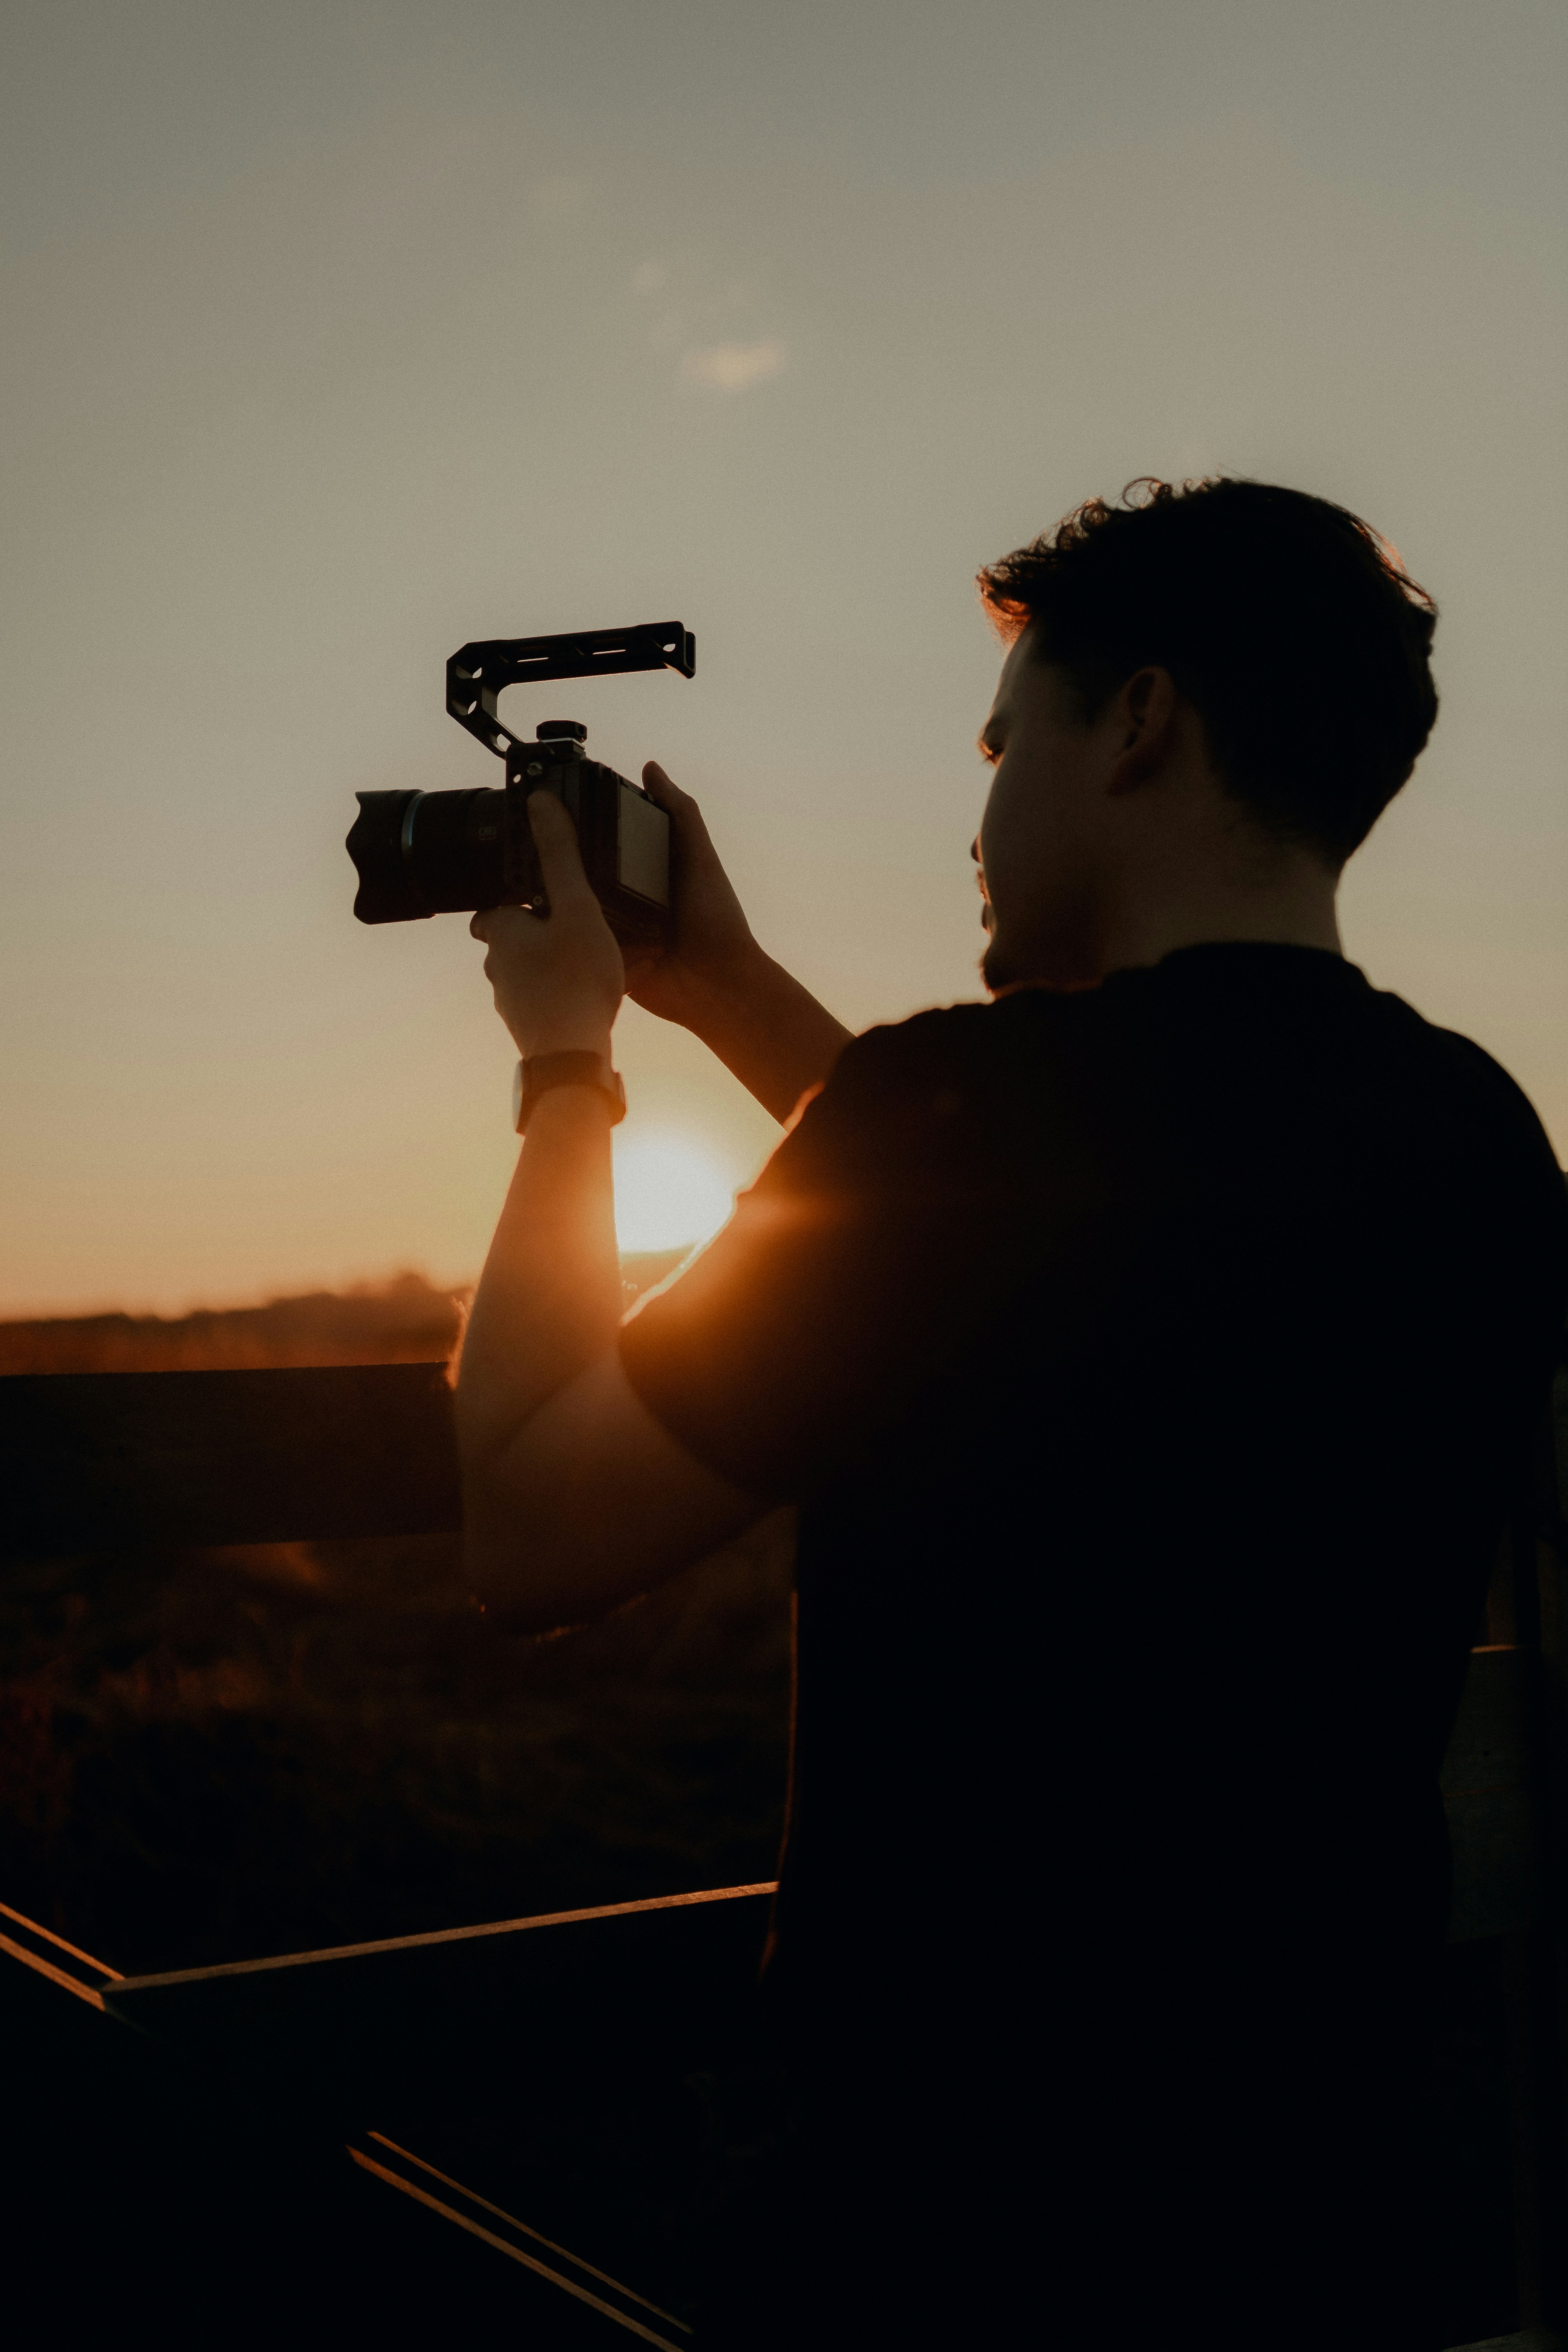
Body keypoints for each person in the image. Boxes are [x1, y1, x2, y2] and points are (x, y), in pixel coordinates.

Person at [453, 478, 1568, 2349]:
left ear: (1134, 722)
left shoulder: (967, 1114)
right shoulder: (1473, 1133)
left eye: (1001, 741)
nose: (976, 818)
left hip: (953, 2226)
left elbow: (528, 1526)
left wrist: (569, 1066)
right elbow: (1047, 1237)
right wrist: (723, 988)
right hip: (1323, 2209)